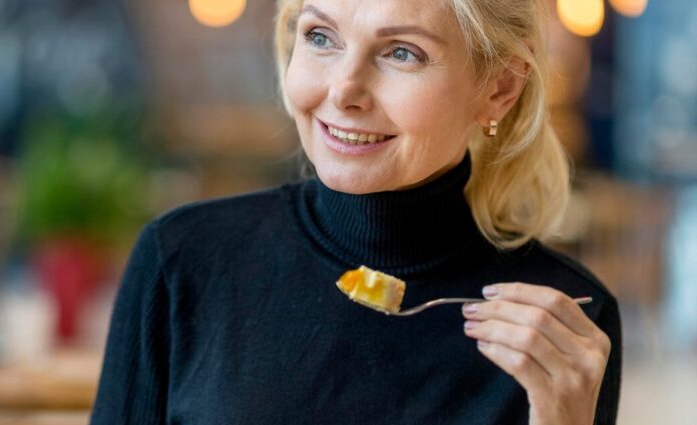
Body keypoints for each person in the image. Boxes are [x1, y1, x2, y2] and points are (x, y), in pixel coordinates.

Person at [91, 0, 621, 423]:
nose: (344, 90)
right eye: (321, 37)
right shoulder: (181, 262)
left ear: (500, 87)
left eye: (402, 53)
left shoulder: (566, 328)